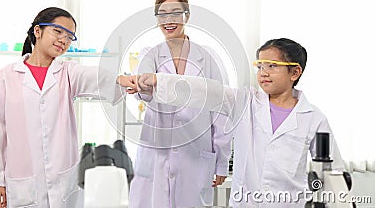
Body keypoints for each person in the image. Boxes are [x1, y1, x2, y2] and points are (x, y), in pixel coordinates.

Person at [137, 38, 345, 207]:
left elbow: (333, 173)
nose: (263, 72)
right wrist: (159, 80)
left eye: (272, 66)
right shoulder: (244, 101)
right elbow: (204, 90)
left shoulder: (313, 118)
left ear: (295, 72)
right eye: (260, 66)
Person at [0, 7, 136, 208]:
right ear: (38, 31)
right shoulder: (5, 77)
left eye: (70, 37)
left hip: (63, 182)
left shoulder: (67, 72)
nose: (64, 40)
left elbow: (94, 76)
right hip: (21, 181)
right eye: (58, 31)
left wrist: (122, 79)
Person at [128, 0, 232, 208]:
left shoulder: (208, 57)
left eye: (176, 13)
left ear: (187, 15)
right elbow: (142, 91)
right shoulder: (149, 54)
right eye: (162, 14)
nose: (169, 20)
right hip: (156, 152)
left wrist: (221, 162)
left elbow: (220, 111)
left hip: (195, 153)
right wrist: (143, 86)